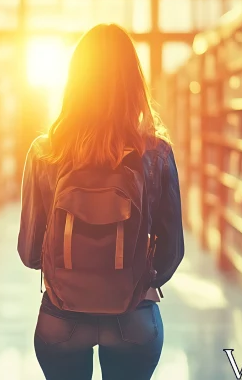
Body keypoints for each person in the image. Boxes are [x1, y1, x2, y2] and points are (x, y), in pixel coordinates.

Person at [18, 23, 184, 380]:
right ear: (133, 84)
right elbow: (173, 252)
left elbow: (29, 253)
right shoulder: (155, 154)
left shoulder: (45, 152)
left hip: (61, 321)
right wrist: (135, 279)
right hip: (133, 319)